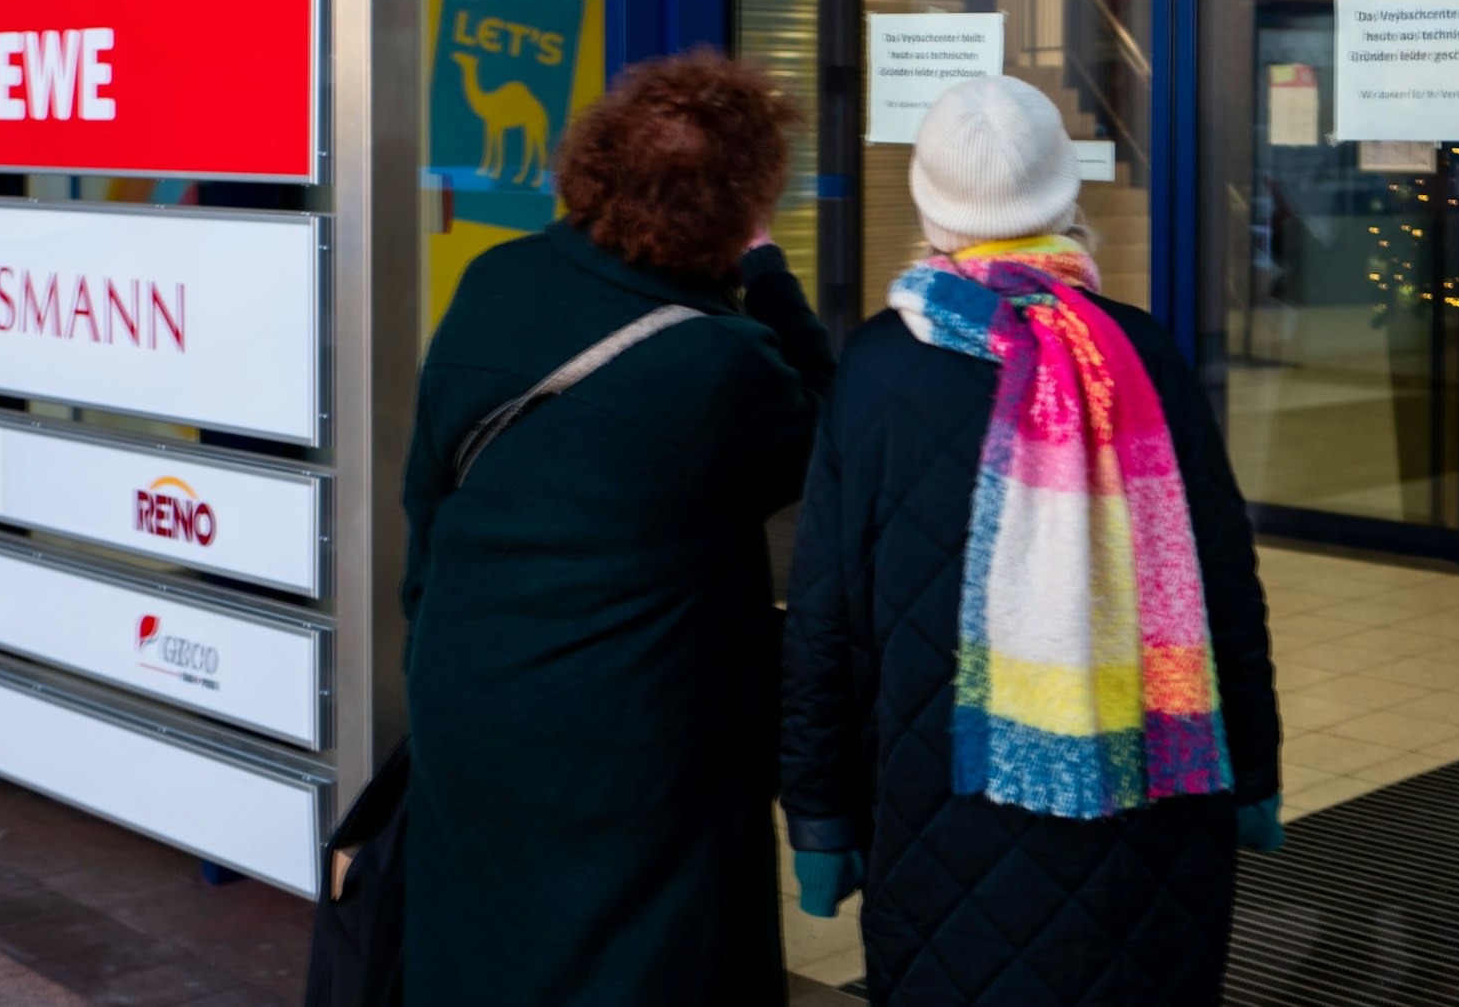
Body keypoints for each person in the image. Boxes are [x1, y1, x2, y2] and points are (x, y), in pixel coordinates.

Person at [779, 76, 1284, 1006]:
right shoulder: (1141, 350)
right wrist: (1249, 769)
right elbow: (1219, 581)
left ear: (931, 207)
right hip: (1151, 798)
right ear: (1063, 198)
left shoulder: (880, 364)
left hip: (941, 799)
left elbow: (823, 612)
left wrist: (820, 812)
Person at [398, 52, 833, 1005]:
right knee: (643, 962)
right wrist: (768, 275)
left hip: (467, 691)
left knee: (483, 950)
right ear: (737, 205)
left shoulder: (493, 279)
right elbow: (826, 431)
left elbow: (425, 501)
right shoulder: (719, 365)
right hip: (634, 740)